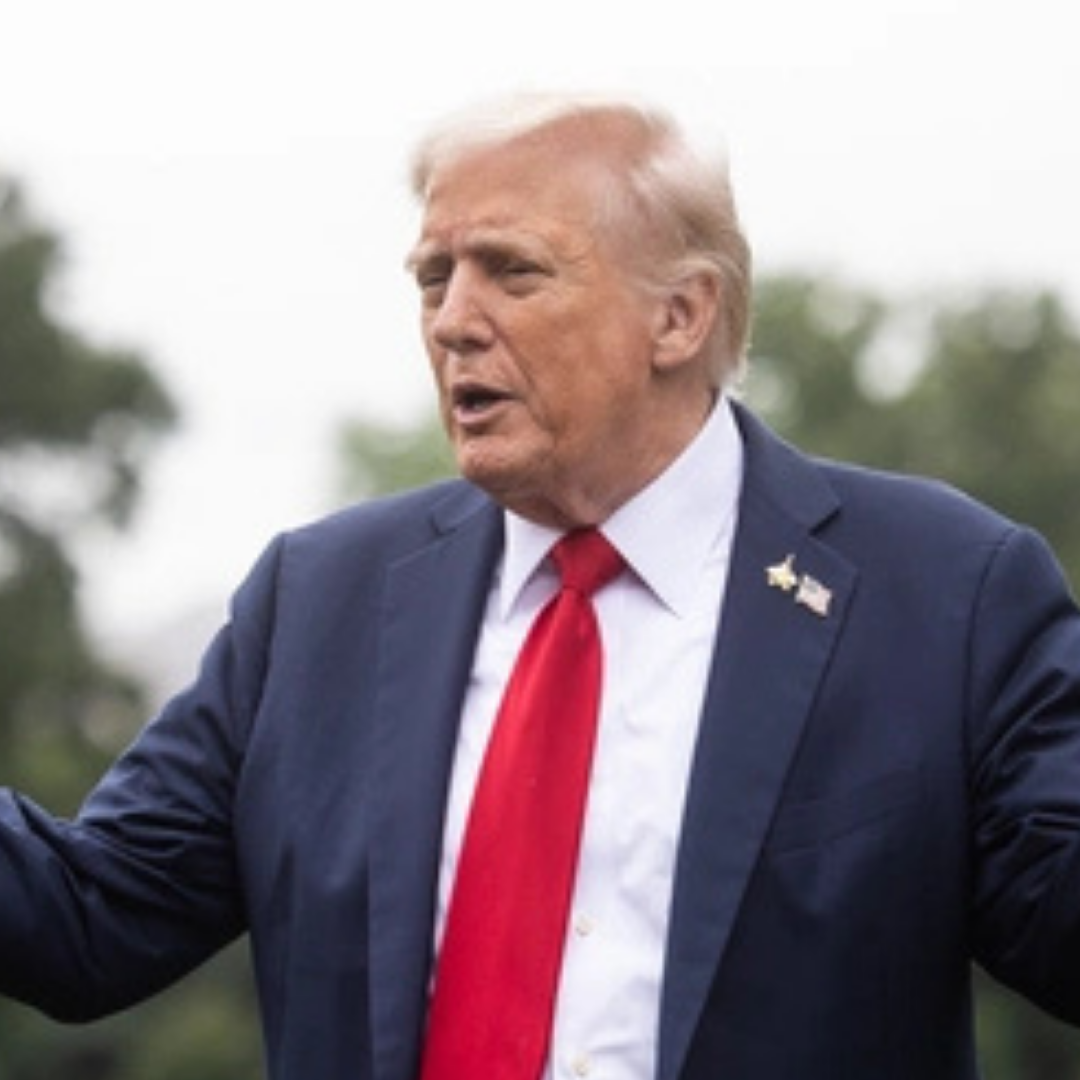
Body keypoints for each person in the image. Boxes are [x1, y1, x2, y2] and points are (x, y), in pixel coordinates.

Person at [2, 90, 1080, 1080]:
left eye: (512, 271)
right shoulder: (318, 604)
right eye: (434, 277)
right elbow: (87, 920)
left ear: (682, 316)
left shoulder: (945, 594)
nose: (453, 320)